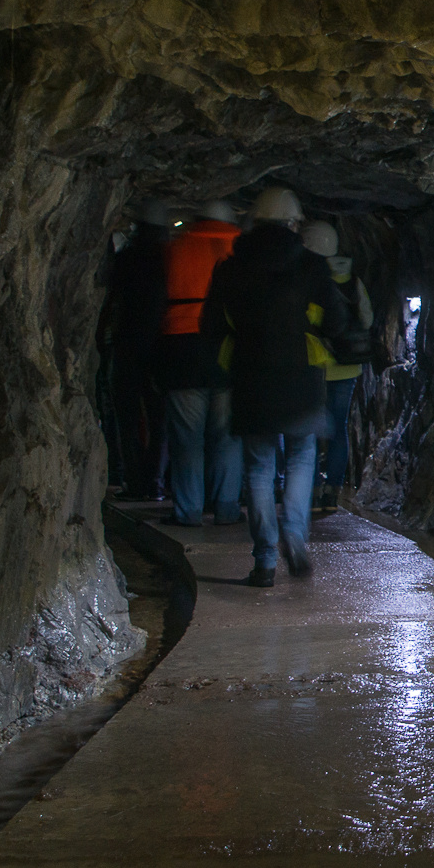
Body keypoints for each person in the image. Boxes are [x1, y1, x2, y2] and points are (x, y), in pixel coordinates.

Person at [205, 187, 346, 587]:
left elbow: (210, 326)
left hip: (251, 381)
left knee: (259, 467)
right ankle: (296, 536)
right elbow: (336, 321)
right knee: (302, 460)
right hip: (302, 382)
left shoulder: (230, 269)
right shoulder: (312, 267)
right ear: (293, 224)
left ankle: (265, 560)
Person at [158, 200, 244, 527]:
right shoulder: (241, 250)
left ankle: (188, 511)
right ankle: (226, 508)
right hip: (227, 347)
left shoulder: (175, 249)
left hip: (181, 348)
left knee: (187, 437)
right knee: (227, 435)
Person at [300, 220, 374, 515]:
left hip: (318, 364)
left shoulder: (314, 280)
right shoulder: (355, 280)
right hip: (348, 368)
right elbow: (367, 319)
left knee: (314, 427)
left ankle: (312, 488)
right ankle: (332, 490)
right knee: (340, 428)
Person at [104, 200, 172, 499]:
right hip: (162, 345)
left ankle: (134, 480)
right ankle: (156, 481)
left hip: (128, 343)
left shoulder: (127, 258)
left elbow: (112, 298)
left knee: (127, 416)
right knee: (161, 419)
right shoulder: (169, 258)